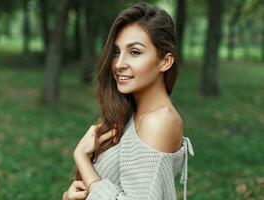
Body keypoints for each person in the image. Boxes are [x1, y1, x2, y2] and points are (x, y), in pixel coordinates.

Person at [63, 2, 194, 200]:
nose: (118, 64)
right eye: (117, 52)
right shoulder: (129, 113)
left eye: (134, 52)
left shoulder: (160, 121)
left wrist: (82, 157)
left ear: (165, 61)